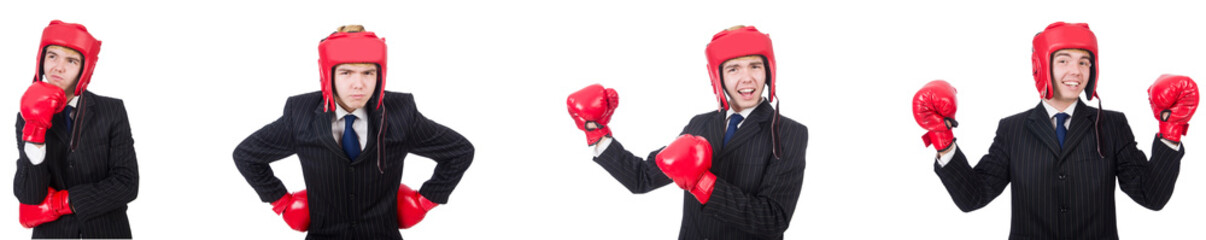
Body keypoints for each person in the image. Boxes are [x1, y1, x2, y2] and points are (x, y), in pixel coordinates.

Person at [912, 22, 1198, 239]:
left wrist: (1171, 130)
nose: (1076, 71)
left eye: (1084, 62)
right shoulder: (1012, 129)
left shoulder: (1112, 124)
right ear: (1041, 66)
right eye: (1063, 60)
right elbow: (972, 197)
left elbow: (1152, 197)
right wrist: (943, 140)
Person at [233, 25, 474, 240]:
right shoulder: (301, 114)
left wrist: (426, 201)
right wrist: (281, 201)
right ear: (328, 75)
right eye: (346, 73)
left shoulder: (401, 113)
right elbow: (247, 155)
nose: (358, 84)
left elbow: (459, 151)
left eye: (368, 73)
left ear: (380, 75)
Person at [566, 25, 808, 239]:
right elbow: (642, 178)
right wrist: (597, 132)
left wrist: (704, 184)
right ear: (719, 77)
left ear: (768, 71)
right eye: (733, 69)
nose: (746, 78)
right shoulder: (700, 124)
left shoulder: (789, 133)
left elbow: (773, 221)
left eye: (755, 66)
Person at [14, 20, 140, 239]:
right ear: (41, 59)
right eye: (52, 56)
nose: (58, 67)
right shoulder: (25, 117)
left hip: (107, 232)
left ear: (85, 68)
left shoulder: (112, 110)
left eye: (71, 60)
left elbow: (127, 184)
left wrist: (65, 202)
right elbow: (29, 196)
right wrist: (35, 130)